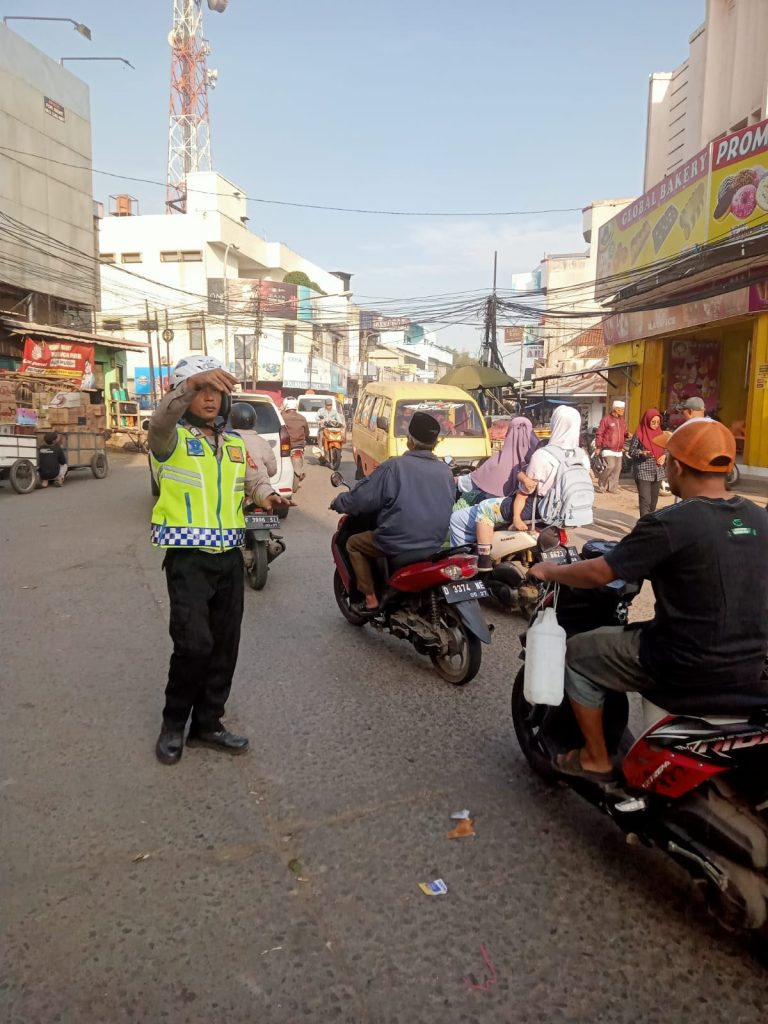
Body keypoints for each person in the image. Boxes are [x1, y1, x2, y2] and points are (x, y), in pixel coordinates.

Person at [529, 419, 768, 782]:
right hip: (750, 661)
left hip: (681, 659)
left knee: (576, 654)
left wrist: (549, 571)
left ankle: (595, 756)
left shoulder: (669, 523)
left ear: (674, 465)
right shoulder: (758, 517)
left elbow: (600, 573)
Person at [148, 355, 291, 766]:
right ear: (186, 393)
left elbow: (253, 479)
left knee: (224, 648)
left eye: (216, 392)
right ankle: (174, 724)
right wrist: (188, 385)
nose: (210, 399)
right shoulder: (169, 439)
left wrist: (268, 496)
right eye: (201, 390)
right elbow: (158, 423)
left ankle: (207, 724)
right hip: (188, 561)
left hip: (229, 559)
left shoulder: (232, 442)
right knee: (194, 646)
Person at [331, 411, 454, 611]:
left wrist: (339, 502)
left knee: (353, 543)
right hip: (435, 542)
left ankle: (370, 598)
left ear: (410, 441)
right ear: (434, 444)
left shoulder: (394, 467)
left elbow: (361, 498)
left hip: (397, 541)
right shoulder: (445, 471)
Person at [449, 417, 538, 569]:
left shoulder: (500, 460)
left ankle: (465, 563)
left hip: (504, 512)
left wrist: (454, 480)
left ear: (509, 432)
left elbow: (470, 482)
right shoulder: (537, 458)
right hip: (532, 512)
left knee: (457, 518)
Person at [510, 406, 591, 532]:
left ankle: (486, 548)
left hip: (540, 508)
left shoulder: (542, 454)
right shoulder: (582, 456)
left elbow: (526, 490)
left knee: (485, 509)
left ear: (555, 424)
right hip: (571, 510)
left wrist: (517, 517)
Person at [628, 408, 667, 517]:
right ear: (647, 420)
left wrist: (664, 456)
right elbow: (631, 451)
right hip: (643, 471)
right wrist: (642, 453)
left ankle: (650, 524)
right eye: (653, 422)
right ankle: (644, 527)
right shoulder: (639, 434)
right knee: (645, 500)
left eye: (658, 422)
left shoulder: (661, 434)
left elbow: (666, 449)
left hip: (658, 472)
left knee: (653, 503)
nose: (655, 425)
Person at [230, 402, 277, 479]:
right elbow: (272, 471)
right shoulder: (262, 442)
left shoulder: (225, 441)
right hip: (260, 488)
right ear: (254, 420)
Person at [595, 399, 627, 493]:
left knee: (617, 469)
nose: (622, 411)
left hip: (619, 449)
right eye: (621, 409)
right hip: (608, 448)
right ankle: (601, 484)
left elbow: (624, 433)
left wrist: (627, 435)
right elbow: (599, 433)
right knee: (610, 466)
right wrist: (598, 446)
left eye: (623, 409)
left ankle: (613, 488)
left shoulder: (622, 421)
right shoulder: (606, 420)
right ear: (615, 409)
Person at [281, 398, 310, 481]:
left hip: (285, 445)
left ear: (286, 405)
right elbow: (307, 433)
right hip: (299, 445)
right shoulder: (302, 418)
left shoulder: (282, 416)